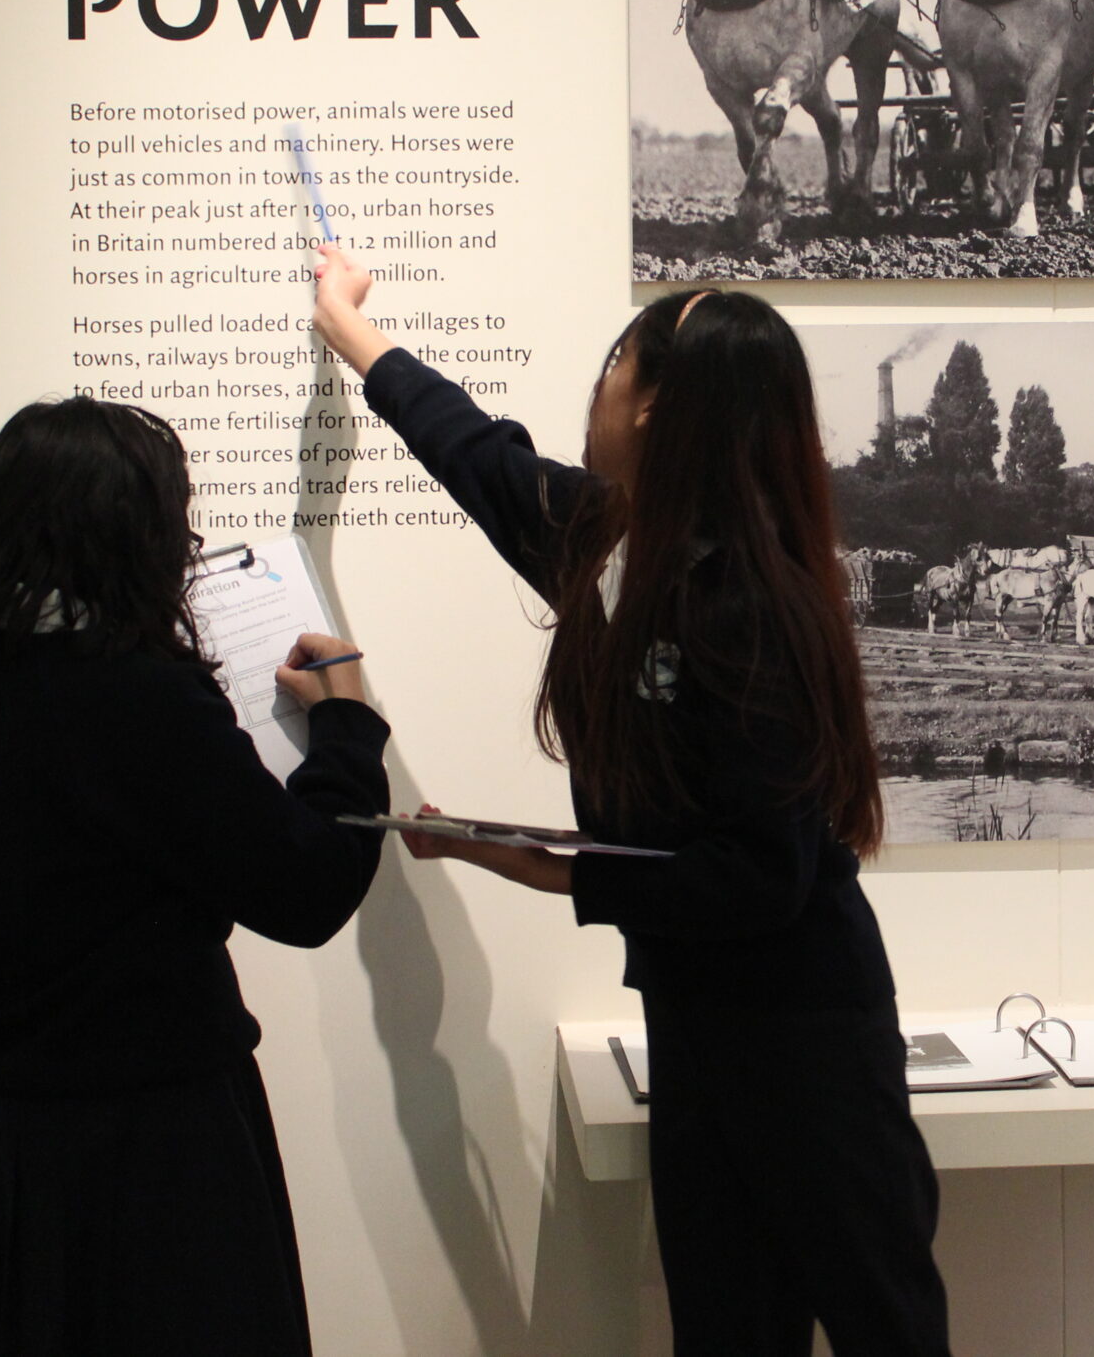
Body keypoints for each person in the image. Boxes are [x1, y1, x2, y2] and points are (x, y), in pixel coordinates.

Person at [309, 249, 953, 1357]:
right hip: (700, 1023)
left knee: (880, 1327)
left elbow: (758, 877)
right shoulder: (609, 542)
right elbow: (474, 452)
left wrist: (530, 861)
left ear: (653, 406)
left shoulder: (747, 605)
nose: (594, 384)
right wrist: (354, 335)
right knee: (724, 1326)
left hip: (806, 1042)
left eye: (613, 362)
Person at [0, 394, 390, 1357]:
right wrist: (348, 728)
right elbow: (310, 888)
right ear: (133, 534)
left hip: (4, 1143)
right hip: (155, 1152)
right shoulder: (134, 696)